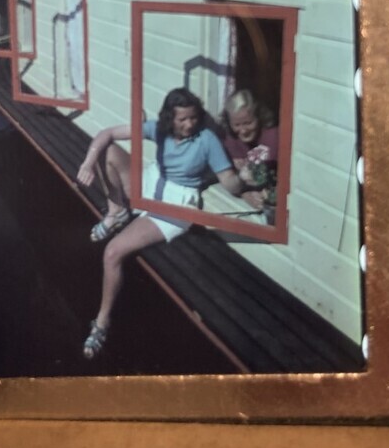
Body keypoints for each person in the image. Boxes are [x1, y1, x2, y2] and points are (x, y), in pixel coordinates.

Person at [75, 87, 243, 359]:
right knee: (109, 152)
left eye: (193, 117)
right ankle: (117, 212)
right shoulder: (159, 129)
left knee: (112, 252)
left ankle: (102, 321)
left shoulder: (207, 140)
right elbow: (106, 134)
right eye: (182, 119)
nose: (189, 124)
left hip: (175, 202)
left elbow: (231, 183)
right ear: (169, 119)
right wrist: (88, 162)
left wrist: (245, 177)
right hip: (152, 182)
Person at [221, 89, 279, 212]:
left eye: (248, 123)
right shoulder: (228, 140)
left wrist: (272, 193)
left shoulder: (274, 137)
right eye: (237, 125)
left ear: (259, 116)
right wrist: (244, 194)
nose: (243, 130)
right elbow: (224, 177)